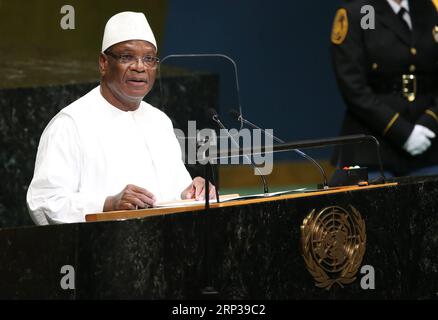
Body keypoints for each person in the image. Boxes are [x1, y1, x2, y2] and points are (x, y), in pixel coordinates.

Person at [26, 11, 216, 225]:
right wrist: (107, 205)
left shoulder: (159, 121)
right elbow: (44, 202)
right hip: (98, 251)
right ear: (103, 63)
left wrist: (192, 192)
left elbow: (171, 194)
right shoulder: (71, 123)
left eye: (149, 59)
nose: (140, 67)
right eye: (127, 57)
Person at [331, 0, 438, 179]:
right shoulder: (361, 11)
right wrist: (402, 131)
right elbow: (353, 86)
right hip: (373, 145)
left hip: (428, 142)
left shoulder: (429, 7)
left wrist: (430, 121)